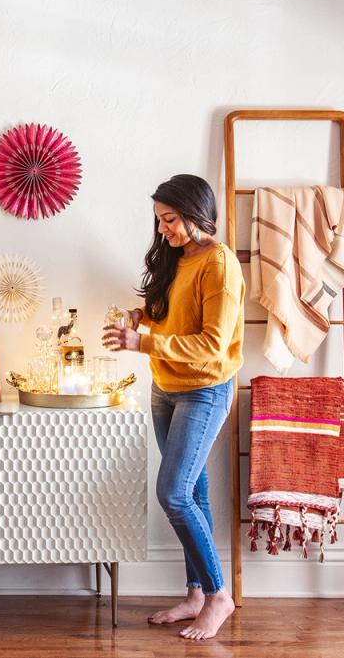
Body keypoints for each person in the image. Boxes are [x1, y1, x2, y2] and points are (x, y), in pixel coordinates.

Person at [102, 174, 244, 641]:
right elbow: (174, 315)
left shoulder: (220, 265)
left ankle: (219, 596)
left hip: (204, 390)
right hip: (165, 388)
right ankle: (196, 594)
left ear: (197, 214)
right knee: (193, 493)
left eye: (170, 220)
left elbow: (211, 344)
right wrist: (142, 317)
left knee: (174, 493)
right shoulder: (177, 257)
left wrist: (142, 341)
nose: (163, 230)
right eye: (159, 221)